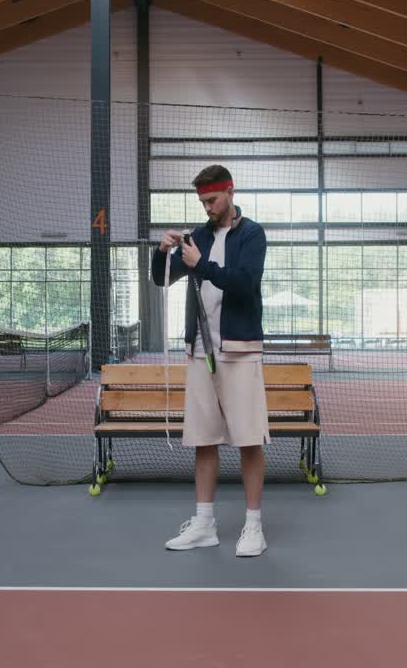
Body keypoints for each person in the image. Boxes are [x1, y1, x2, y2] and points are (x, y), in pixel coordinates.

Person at [151, 164, 270, 558]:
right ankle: (204, 525)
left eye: (212, 200)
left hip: (240, 350)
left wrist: (200, 263)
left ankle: (253, 527)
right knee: (204, 440)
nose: (207, 208)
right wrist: (163, 251)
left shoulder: (252, 234)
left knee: (249, 440)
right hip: (200, 351)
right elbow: (161, 279)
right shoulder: (197, 236)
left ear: (230, 192)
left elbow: (244, 283)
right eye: (202, 201)